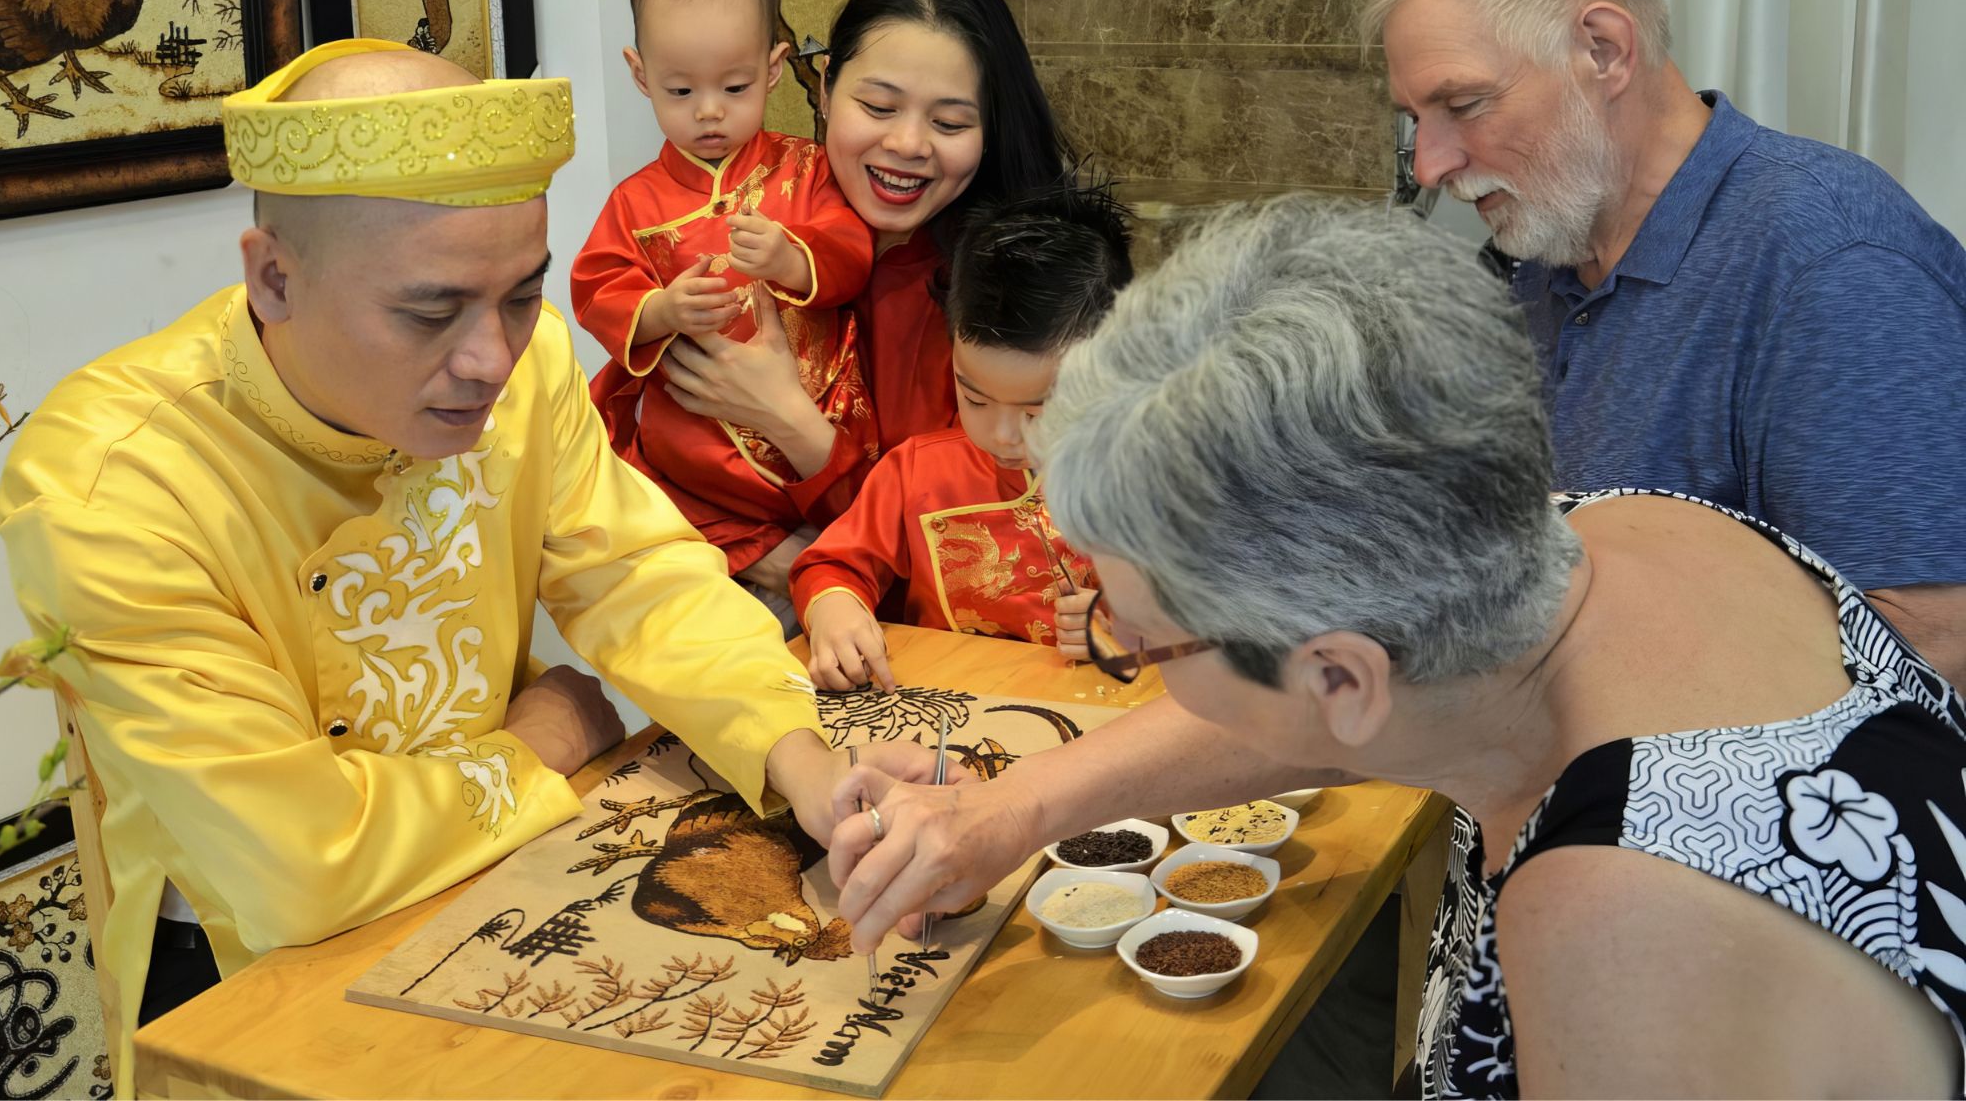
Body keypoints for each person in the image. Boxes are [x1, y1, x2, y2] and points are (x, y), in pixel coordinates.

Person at [825, 197, 1966, 1095]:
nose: (1118, 644)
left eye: (1148, 642)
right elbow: (1326, 709)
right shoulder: (1617, 529)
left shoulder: (1624, 920)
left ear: (1338, 675)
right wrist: (1013, 808)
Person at [0, 40, 938, 1099]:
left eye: (521, 297)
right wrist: (536, 741)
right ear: (273, 277)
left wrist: (801, 764)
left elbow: (638, 575)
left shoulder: (522, 372)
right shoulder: (108, 479)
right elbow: (296, 863)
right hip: (253, 967)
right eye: (429, 311)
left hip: (505, 886)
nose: (491, 357)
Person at [1362, 0, 1966, 684]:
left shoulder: (1830, 260)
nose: (1429, 165)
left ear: (1605, 50)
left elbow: (1932, 642)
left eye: (1462, 105)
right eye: (1415, 120)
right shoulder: (1545, 248)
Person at [648, 0, 1074, 603]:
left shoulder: (1001, 297)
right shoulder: (741, 222)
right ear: (823, 85)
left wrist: (789, 420)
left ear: (992, 129)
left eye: (950, 122)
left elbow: (961, 544)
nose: (907, 143)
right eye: (878, 105)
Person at [568, 0, 876, 618]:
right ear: (640, 74)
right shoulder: (635, 202)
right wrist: (659, 309)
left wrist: (794, 257)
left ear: (772, 69)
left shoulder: (809, 170)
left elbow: (853, 249)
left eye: (734, 88)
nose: (709, 113)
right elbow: (596, 284)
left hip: (811, 432)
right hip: (701, 468)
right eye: (681, 91)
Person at [789, 181, 1132, 691]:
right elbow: (834, 563)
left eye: (1039, 412)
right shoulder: (918, 472)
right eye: (974, 399)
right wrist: (835, 609)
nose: (1002, 435)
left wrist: (1125, 633)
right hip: (944, 715)